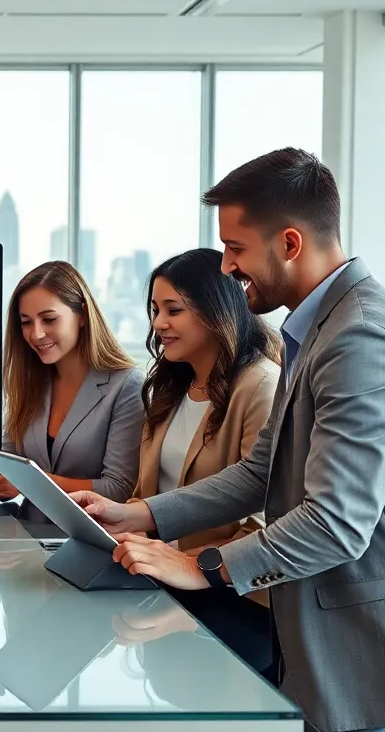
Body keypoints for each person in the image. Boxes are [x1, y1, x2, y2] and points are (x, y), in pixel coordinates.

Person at [69, 148, 385, 732]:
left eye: (236, 248)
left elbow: (335, 523)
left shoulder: (364, 343)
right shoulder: (319, 329)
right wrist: (138, 514)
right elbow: (262, 472)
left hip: (364, 650)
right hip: (313, 625)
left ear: (290, 243)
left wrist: (202, 565)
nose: (227, 267)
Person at [130, 247, 281, 672]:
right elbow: (151, 492)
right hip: (160, 581)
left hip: (230, 596)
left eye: (173, 310)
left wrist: (187, 566)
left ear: (216, 311)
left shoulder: (261, 387)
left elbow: (266, 518)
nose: (159, 323)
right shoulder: (171, 387)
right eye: (156, 310)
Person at [0, 261, 144, 501]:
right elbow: (13, 467)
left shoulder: (127, 384)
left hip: (92, 534)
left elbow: (118, 489)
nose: (36, 334)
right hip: (28, 530)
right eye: (26, 322)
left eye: (49, 319)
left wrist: (28, 482)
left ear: (82, 315)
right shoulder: (31, 379)